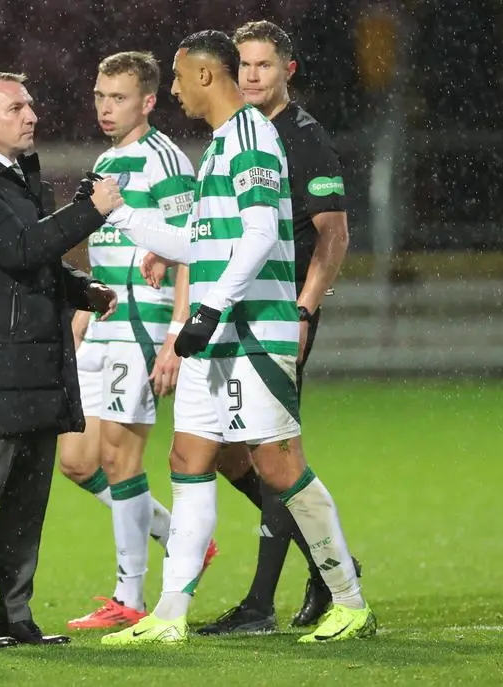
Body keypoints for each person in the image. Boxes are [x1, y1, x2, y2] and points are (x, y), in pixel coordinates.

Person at [98, 29, 374, 645]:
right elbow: (199, 242)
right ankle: (169, 615)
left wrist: (207, 308)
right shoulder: (223, 145)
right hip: (218, 335)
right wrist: (120, 214)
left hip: (252, 332)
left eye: (176, 77)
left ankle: (350, 600)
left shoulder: (252, 136)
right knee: (188, 459)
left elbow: (254, 236)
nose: (171, 90)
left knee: (279, 467)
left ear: (202, 77)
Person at [0, 71, 123, 648]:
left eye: (32, 105)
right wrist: (90, 210)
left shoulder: (17, 178)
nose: (31, 114)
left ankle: (17, 616)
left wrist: (77, 288)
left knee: (28, 496)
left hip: (32, 361)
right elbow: (17, 249)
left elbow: (28, 260)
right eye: (16, 107)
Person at [196, 20, 357, 637]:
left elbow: (333, 231)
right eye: (245, 65)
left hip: (272, 316)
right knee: (225, 451)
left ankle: (262, 603)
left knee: (272, 455)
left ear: (288, 70)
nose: (253, 75)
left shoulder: (301, 137)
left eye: (264, 65)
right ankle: (323, 558)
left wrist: (306, 307)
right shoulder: (237, 134)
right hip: (237, 318)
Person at [57, 51, 218, 631]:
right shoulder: (106, 160)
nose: (105, 107)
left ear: (148, 101)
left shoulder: (166, 161)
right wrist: (81, 312)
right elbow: (103, 247)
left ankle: (129, 598)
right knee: (76, 461)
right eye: (100, 95)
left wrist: (176, 335)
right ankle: (183, 538)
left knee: (120, 459)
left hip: (142, 326)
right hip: (102, 323)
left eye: (118, 97)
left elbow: (191, 251)